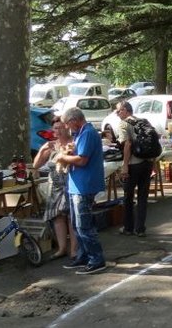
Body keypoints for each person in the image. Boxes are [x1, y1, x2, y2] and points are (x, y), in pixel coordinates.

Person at [55, 107, 107, 275]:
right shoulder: (79, 134)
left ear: (74, 120)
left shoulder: (87, 133)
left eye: (68, 124)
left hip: (84, 186)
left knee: (84, 226)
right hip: (75, 185)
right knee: (77, 225)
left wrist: (62, 157)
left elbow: (82, 160)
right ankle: (83, 255)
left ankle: (96, 259)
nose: (68, 128)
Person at [32, 118, 77, 260]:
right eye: (55, 128)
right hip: (55, 186)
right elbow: (36, 165)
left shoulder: (73, 143)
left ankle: (74, 250)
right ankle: (62, 248)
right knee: (57, 217)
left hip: (71, 184)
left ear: (66, 128)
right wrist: (43, 149)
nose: (57, 131)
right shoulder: (51, 145)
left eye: (60, 128)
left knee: (71, 217)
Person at [115, 100, 153, 237]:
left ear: (125, 110)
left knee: (128, 196)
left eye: (118, 110)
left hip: (133, 164)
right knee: (143, 197)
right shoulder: (143, 121)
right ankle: (140, 228)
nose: (117, 113)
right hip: (147, 162)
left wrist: (125, 166)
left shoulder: (124, 123)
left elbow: (127, 145)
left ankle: (128, 227)